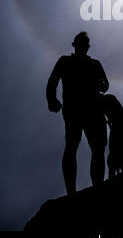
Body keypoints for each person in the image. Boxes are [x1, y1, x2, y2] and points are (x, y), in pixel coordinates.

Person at [46, 32, 109, 194]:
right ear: (74, 44)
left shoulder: (95, 64)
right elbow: (52, 81)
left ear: (88, 46)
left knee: (98, 147)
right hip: (74, 109)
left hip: (93, 109)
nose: (84, 46)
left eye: (86, 43)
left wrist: (100, 83)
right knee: (72, 145)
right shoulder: (65, 61)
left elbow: (105, 84)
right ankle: (71, 192)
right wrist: (51, 99)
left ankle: (98, 187)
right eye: (81, 42)